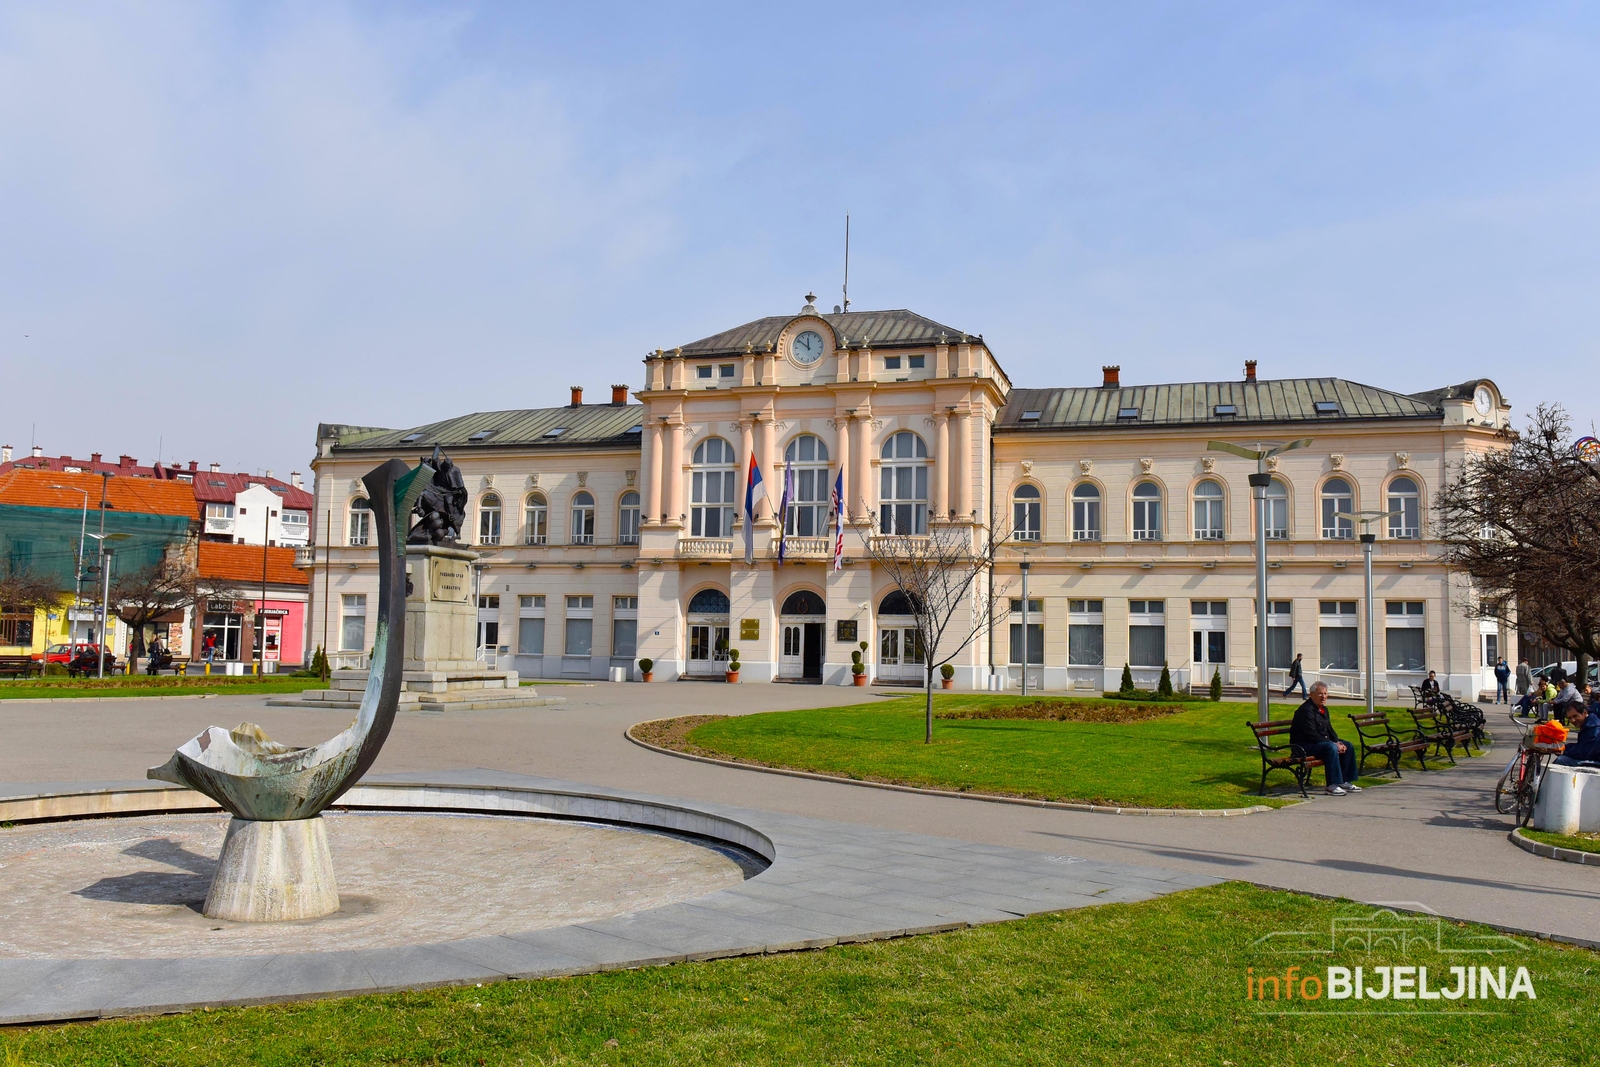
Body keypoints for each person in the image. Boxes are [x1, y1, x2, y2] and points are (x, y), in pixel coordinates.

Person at [1289, 681, 1361, 796]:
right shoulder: (1306, 711)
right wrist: (1333, 744)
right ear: (1311, 694)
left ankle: (1345, 781)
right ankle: (1332, 785)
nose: (1323, 697)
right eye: (1320, 694)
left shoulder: (1323, 710)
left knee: (1348, 745)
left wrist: (1338, 742)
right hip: (1303, 746)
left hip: (1317, 743)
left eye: (1325, 694)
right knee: (1330, 747)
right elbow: (1311, 734)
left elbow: (1329, 730)